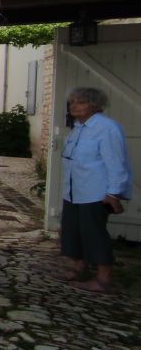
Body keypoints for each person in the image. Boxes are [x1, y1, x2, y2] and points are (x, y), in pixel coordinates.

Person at [58, 86, 133, 293]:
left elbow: (116, 163)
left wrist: (113, 193)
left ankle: (104, 277)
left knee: (94, 234)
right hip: (75, 190)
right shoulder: (77, 128)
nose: (74, 106)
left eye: (80, 102)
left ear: (96, 106)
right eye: (72, 102)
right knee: (73, 231)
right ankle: (80, 267)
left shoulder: (107, 128)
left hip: (95, 192)